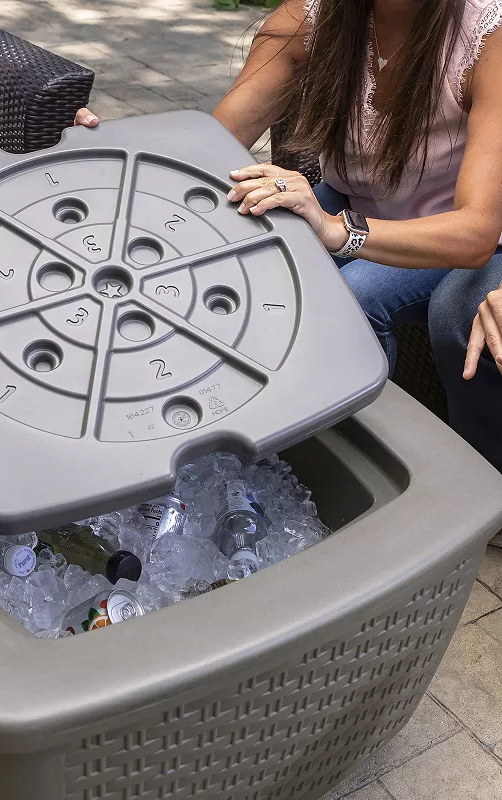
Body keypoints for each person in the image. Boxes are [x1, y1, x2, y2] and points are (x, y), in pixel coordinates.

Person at [76, 0, 502, 473]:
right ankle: (223, 445)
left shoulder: (487, 37)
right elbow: (211, 143)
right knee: (235, 268)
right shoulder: (314, 17)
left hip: (454, 234)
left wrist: (335, 231)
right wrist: (107, 155)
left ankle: (366, 480)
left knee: (349, 302)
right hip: (351, 201)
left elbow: (476, 232)